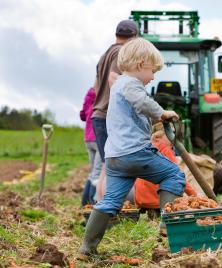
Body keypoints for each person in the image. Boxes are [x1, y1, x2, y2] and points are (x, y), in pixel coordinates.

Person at [78, 38, 185, 257]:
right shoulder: (130, 84)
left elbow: (135, 111)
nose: (153, 77)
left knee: (110, 201)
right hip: (134, 152)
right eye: (152, 71)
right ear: (140, 64)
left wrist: (154, 123)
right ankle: (167, 224)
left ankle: (87, 248)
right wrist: (162, 113)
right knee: (174, 175)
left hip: (115, 158)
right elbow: (141, 102)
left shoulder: (118, 85)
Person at [91, 20, 138, 162]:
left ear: (116, 34)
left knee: (108, 169)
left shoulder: (106, 54)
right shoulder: (120, 52)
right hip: (108, 118)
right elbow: (113, 79)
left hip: (99, 116)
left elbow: (95, 87)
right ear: (134, 37)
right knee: (117, 170)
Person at [134, 124, 197, 218]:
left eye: (173, 133)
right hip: (156, 201)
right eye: (169, 134)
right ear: (157, 138)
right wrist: (194, 195)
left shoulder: (146, 149)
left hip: (141, 200)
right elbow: (178, 176)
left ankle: (152, 213)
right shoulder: (165, 149)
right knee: (177, 186)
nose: (173, 137)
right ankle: (166, 215)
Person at [79, 87, 102, 206]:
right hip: (98, 137)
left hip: (88, 138)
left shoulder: (89, 94)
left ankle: (85, 203)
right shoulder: (104, 93)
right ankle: (92, 204)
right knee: (97, 173)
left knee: (93, 171)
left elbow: (82, 115)